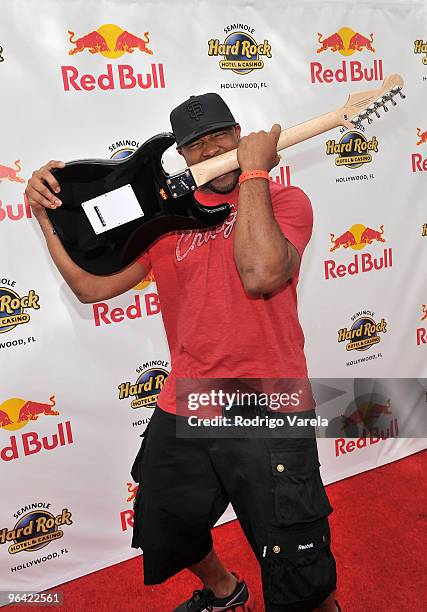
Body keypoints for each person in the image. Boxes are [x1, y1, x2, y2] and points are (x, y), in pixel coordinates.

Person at [25, 93, 341, 612]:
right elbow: (89, 288)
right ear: (183, 156)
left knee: (298, 564)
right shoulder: (167, 223)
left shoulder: (286, 201)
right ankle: (224, 591)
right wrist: (46, 216)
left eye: (220, 135)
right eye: (196, 143)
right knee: (165, 522)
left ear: (240, 135)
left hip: (268, 405)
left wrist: (256, 175)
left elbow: (262, 273)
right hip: (187, 401)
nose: (211, 147)